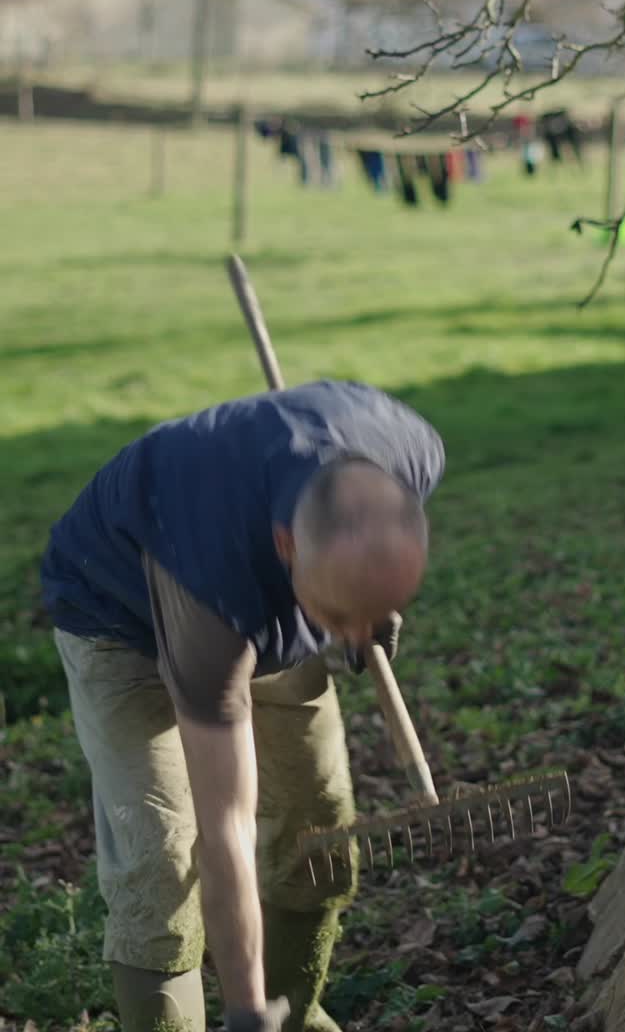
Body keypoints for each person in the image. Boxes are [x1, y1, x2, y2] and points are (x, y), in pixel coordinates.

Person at [41, 380, 445, 1032]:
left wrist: (364, 611)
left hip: (269, 583)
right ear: (288, 545)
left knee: (319, 820)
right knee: (162, 858)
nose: (351, 633)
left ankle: (298, 1013)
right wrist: (246, 1007)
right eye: (338, 616)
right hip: (118, 619)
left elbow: (362, 560)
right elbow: (226, 828)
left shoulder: (414, 451)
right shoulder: (213, 601)